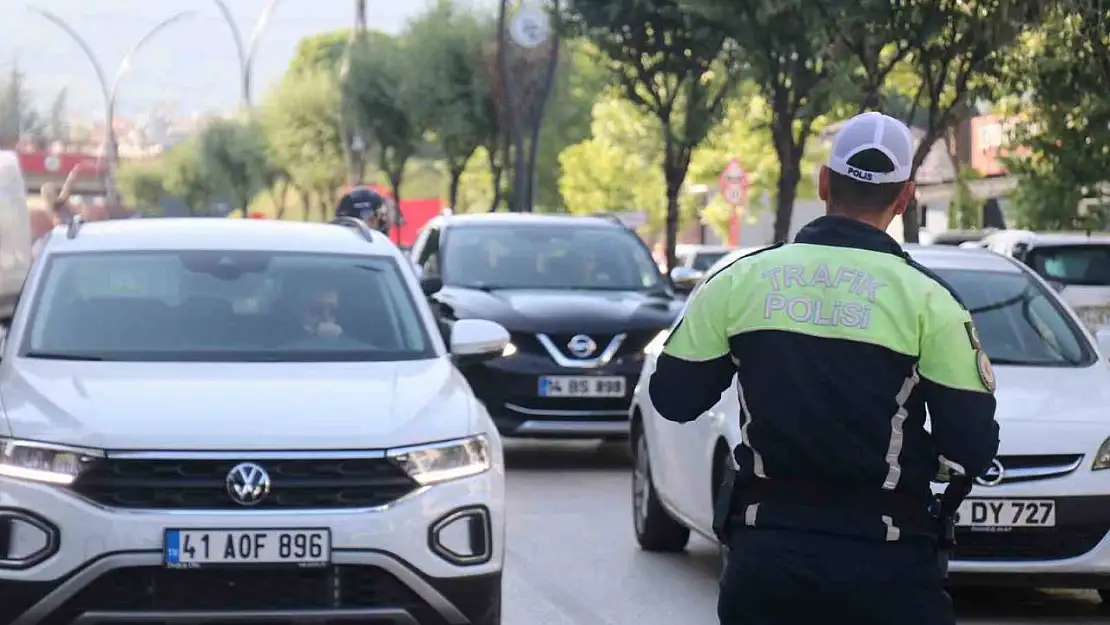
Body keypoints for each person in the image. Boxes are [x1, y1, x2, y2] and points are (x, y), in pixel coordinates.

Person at [648, 111, 1000, 625]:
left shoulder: (738, 281)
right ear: (904, 199)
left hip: (767, 562)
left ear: (823, 182)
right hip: (887, 565)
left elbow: (673, 397)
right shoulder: (932, 303)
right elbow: (970, 446)